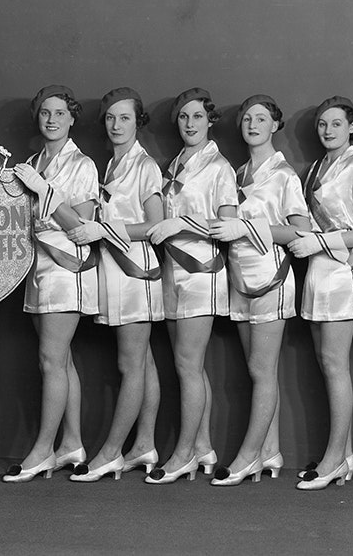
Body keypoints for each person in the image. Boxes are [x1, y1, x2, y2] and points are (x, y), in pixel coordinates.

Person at [208, 95, 310, 486]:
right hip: (239, 277)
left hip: (272, 276)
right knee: (257, 370)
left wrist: (250, 228)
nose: (252, 124)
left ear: (275, 126)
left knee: (260, 369)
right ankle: (271, 451)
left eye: (261, 118)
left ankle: (248, 456)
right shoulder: (236, 173)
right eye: (247, 118)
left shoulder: (283, 175)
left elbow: (302, 231)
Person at [66, 87, 164, 482]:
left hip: (136, 271)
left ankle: (111, 453)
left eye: (124, 118)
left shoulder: (145, 165)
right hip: (115, 272)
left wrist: (103, 228)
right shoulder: (111, 164)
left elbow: (156, 225)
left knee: (131, 365)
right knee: (145, 364)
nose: (116, 125)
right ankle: (145, 444)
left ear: (137, 121)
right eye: (110, 118)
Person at [288, 96, 353, 490]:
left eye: (336, 123)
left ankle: (334, 460)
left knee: (335, 365)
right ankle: (342, 455)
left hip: (344, 272)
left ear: (352, 127)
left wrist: (322, 243)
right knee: (326, 365)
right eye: (322, 124)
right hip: (318, 272)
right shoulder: (316, 168)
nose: (328, 130)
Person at [4, 85, 99, 482]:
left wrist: (46, 192)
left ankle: (42, 450)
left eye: (60, 112)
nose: (52, 119)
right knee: (62, 361)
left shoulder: (83, 165)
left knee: (50, 361)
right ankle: (72, 442)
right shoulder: (31, 162)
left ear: (72, 117)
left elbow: (82, 227)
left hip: (67, 268)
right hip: (37, 267)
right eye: (45, 112)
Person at [145, 88, 238, 484]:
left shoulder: (220, 167)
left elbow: (229, 226)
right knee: (188, 367)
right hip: (170, 271)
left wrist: (183, 223)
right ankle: (203, 447)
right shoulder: (175, 164)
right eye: (183, 117)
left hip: (201, 271)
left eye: (197, 116)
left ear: (210, 120)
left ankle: (182, 453)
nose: (189, 124)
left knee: (187, 365)